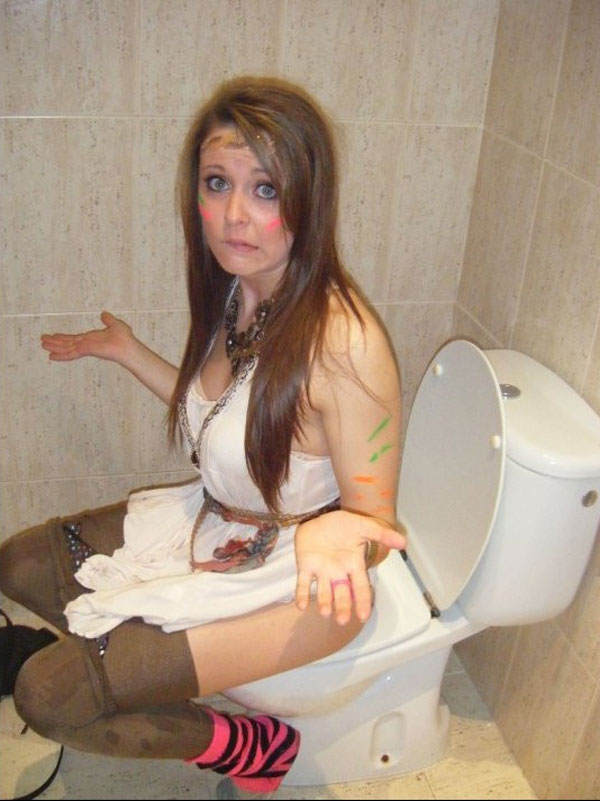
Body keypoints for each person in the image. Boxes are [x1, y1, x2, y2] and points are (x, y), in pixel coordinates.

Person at [0, 76, 406, 800]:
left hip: (303, 587)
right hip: (223, 528)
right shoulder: (240, 291)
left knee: (49, 697)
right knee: (22, 563)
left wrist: (337, 529)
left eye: (266, 190)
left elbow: (378, 529)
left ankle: (249, 747)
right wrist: (129, 353)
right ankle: (119, 661)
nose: (233, 215)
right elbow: (224, 420)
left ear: (309, 198)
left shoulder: (344, 342)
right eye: (218, 183)